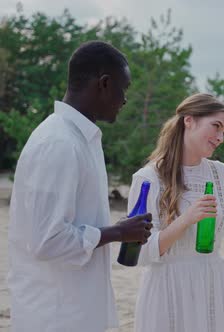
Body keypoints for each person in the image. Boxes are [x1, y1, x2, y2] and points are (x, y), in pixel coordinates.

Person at [7, 41, 153, 332]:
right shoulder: (59, 143)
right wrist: (117, 232)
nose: (125, 100)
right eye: (124, 89)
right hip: (54, 316)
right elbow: (46, 241)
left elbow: (72, 223)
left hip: (76, 309)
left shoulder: (80, 139)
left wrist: (118, 230)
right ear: (104, 84)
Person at [129, 93, 224, 332]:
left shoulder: (220, 173)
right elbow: (140, 252)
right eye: (216, 126)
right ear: (189, 121)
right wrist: (186, 219)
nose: (221, 137)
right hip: (167, 288)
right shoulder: (147, 179)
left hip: (213, 285)